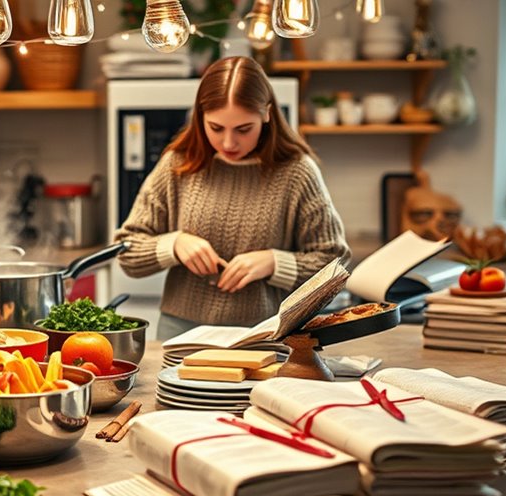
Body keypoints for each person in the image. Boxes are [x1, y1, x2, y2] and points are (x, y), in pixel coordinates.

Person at [114, 56, 351, 340]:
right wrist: (173, 244)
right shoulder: (177, 165)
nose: (228, 143)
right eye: (215, 128)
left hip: (266, 333)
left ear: (266, 114)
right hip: (181, 334)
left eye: (243, 129)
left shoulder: (297, 172)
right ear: (199, 116)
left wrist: (274, 263)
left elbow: (334, 265)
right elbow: (125, 252)